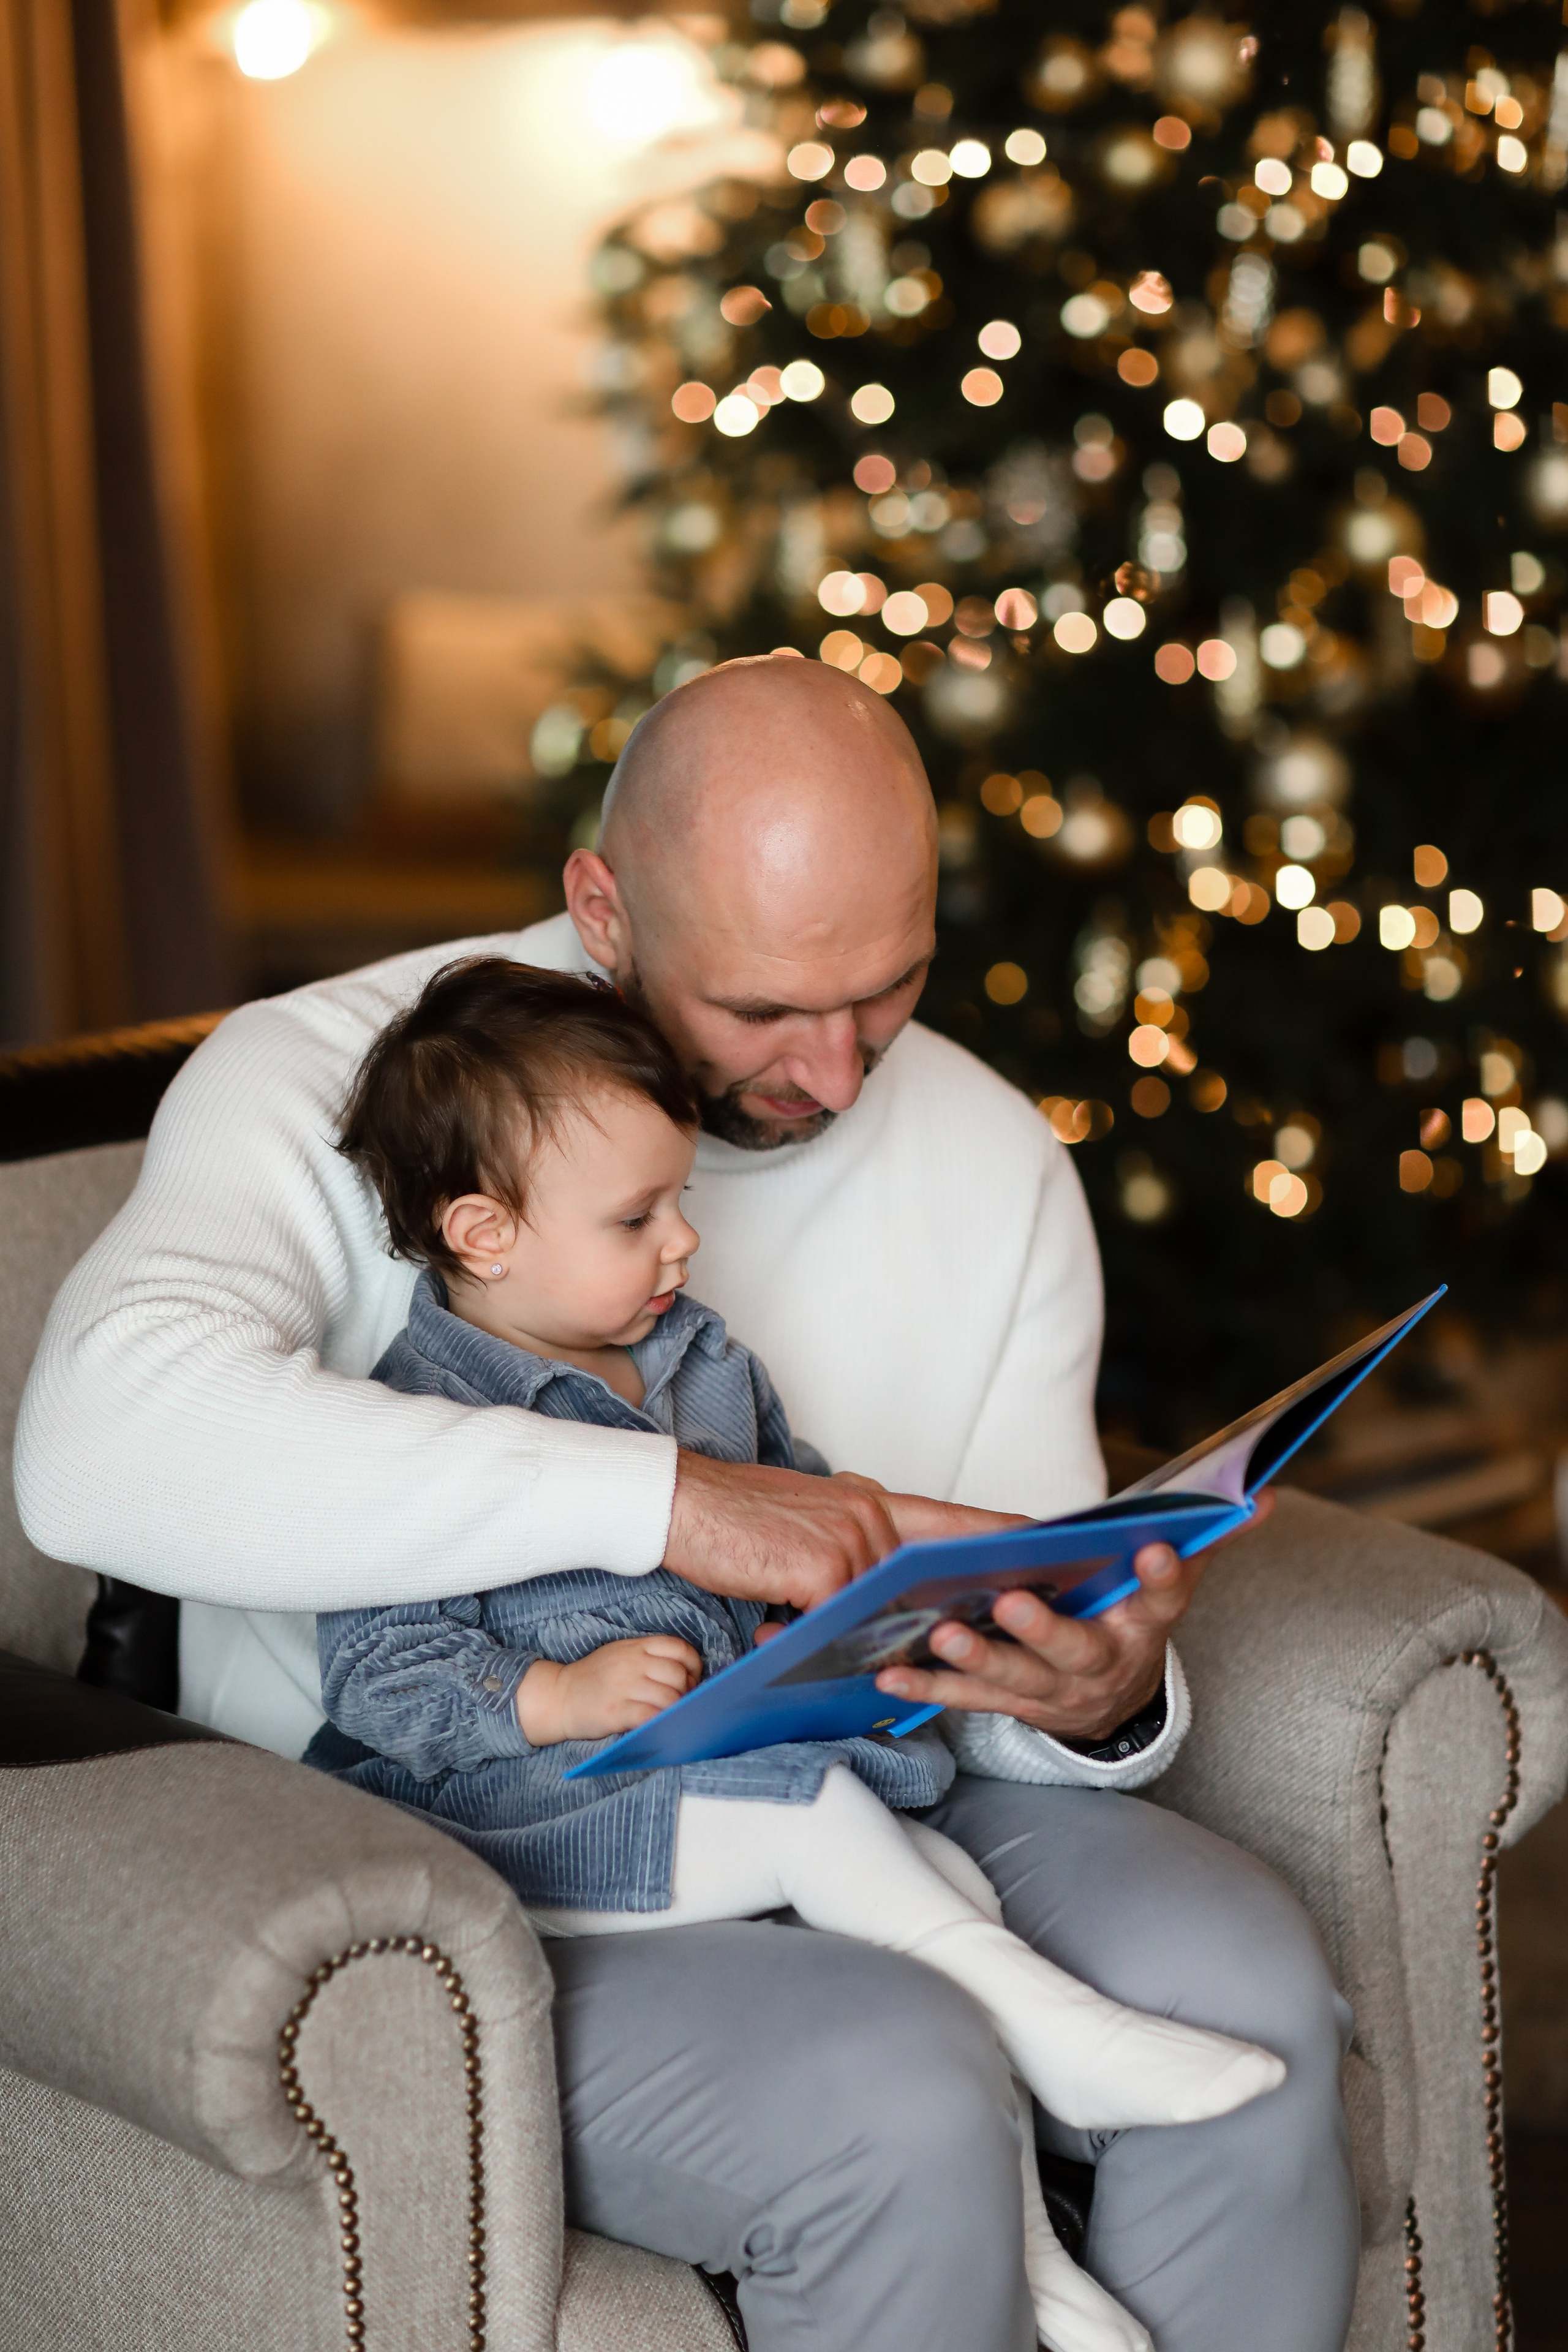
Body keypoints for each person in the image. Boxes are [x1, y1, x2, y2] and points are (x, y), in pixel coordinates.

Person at [17, 656, 1358, 2352]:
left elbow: (999, 1629)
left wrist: (1091, 1694)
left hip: (863, 1780)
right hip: (484, 1827)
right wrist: (670, 1505)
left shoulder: (996, 1156)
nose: (845, 1074)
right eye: (765, 1013)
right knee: (898, 2087)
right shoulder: (332, 1088)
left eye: (892, 987)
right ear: (604, 905)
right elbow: (92, 1454)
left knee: (1249, 1986)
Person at [308, 954, 1288, 2352]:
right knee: (825, 1816)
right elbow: (381, 1669)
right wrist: (548, 1694)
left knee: (938, 1876)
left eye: (683, 1204)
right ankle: (1067, 2041)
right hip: (538, 1823)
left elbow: (806, 1505)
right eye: (636, 1217)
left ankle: (1030, 2263)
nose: (681, 1245)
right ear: (481, 1231)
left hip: (714, 1781)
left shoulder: (703, 1359)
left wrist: (832, 1619)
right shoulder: (410, 1425)